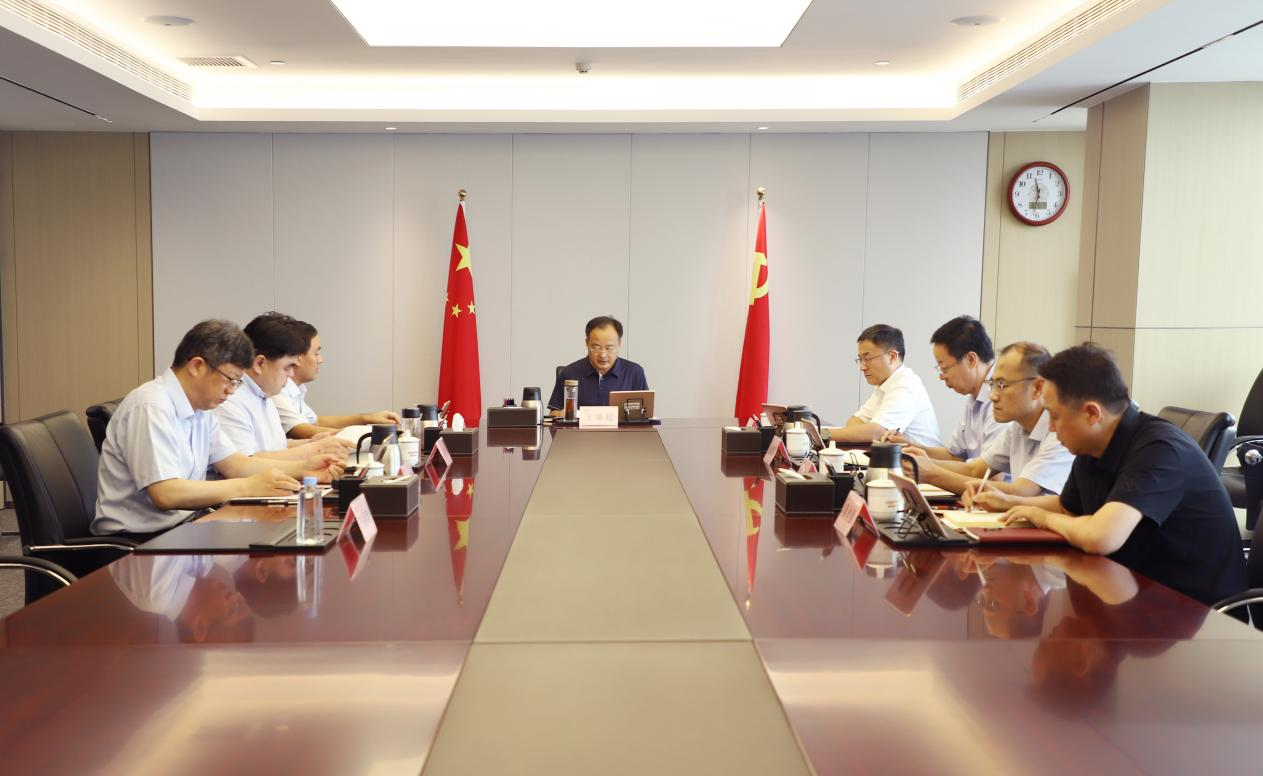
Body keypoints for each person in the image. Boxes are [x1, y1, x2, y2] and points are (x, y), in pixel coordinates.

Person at [996, 344, 1247, 607]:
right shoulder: (1092, 445)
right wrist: (1009, 501)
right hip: (1136, 594)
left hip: (1196, 613)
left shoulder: (1159, 450)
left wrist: (1042, 517)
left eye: (1055, 416)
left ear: (1092, 413)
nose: (1050, 427)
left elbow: (1100, 537)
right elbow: (1066, 508)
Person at [92, 319, 344, 537]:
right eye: (230, 380)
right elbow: (166, 493)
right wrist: (248, 486)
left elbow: (236, 464)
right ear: (197, 366)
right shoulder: (151, 406)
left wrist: (305, 469)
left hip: (187, 526)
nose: (232, 391)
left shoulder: (201, 409)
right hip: (139, 542)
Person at [906, 342, 1073, 501]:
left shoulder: (1060, 432)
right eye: (993, 384)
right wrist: (921, 463)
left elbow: (1021, 492)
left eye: (1002, 384)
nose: (992, 396)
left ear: (1037, 388)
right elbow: (974, 470)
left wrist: (931, 473)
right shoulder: (1017, 427)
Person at [215, 312, 351, 460]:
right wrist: (314, 449)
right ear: (260, 363)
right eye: (288, 367)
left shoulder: (264, 394)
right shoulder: (230, 399)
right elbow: (246, 462)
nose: (291, 374)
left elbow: (276, 447)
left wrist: (313, 442)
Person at [889, 316, 1006, 461]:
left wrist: (926, 467)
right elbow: (953, 455)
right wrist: (909, 447)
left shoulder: (1000, 396)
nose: (942, 376)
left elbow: (987, 473)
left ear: (971, 359)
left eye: (944, 368)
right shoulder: (974, 397)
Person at [273, 318, 402, 439]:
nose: (320, 360)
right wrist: (367, 435)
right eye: (316, 353)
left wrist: (366, 418)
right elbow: (301, 430)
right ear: (298, 357)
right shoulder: (277, 391)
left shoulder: (296, 389)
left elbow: (314, 421)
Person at [824, 324, 940, 447]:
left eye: (867, 358)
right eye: (860, 359)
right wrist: (868, 432)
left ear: (892, 357)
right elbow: (855, 420)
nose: (862, 367)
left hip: (920, 458)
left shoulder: (906, 385)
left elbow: (877, 432)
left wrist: (823, 434)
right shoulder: (886, 383)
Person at [548, 315, 648, 413]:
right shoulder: (569, 373)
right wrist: (562, 414)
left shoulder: (634, 372)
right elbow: (554, 413)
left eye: (609, 348)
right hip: (580, 425)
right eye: (596, 348)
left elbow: (645, 413)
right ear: (587, 343)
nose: (603, 355)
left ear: (619, 344)